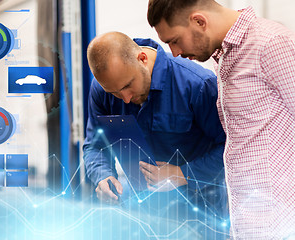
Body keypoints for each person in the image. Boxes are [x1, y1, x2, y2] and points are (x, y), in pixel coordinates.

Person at [147, 0, 295, 239]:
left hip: (282, 226)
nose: (175, 53)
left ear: (199, 21)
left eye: (174, 40)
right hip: (246, 224)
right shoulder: (227, 57)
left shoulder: (271, 43)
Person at [83, 32, 227, 221]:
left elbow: (232, 149)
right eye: (115, 93)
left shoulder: (198, 85)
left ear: (142, 59)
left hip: (202, 213)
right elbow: (95, 146)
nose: (125, 99)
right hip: (142, 212)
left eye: (128, 86)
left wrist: (182, 174)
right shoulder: (102, 90)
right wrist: (103, 176)